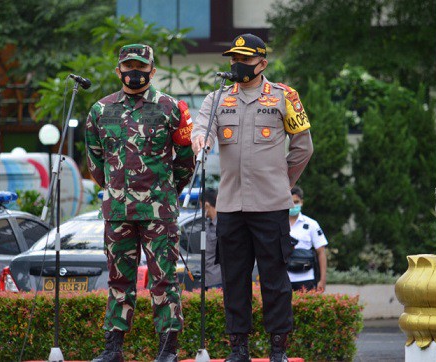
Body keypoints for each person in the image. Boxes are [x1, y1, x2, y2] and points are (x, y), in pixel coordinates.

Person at [191, 33, 313, 362]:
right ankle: (238, 348)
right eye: (234, 59)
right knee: (234, 280)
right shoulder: (216, 99)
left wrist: (280, 181)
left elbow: (303, 147)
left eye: (244, 60)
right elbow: (201, 127)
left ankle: (278, 349)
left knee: (274, 280)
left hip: (272, 205)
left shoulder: (285, 96)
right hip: (231, 206)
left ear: (262, 64)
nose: (238, 65)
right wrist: (200, 141)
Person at [85, 44, 195, 362]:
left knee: (164, 278)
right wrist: (116, 188)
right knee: (119, 278)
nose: (135, 72)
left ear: (152, 70)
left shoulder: (170, 108)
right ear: (118, 70)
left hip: (159, 211)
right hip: (118, 210)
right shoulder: (100, 111)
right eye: (129, 66)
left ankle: (168, 350)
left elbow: (186, 158)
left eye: (141, 66)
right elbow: (94, 161)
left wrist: (167, 189)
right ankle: (113, 349)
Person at [288, 186, 328, 292]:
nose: (293, 205)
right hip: (284, 278)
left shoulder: (311, 224)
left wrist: (322, 280)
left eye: (296, 202)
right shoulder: (278, 225)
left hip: (306, 279)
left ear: (302, 202)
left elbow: (321, 252)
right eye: (290, 202)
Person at [202, 188, 222, 290]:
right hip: (206, 279)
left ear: (206, 205)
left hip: (217, 280)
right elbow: (204, 250)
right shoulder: (206, 225)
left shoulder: (222, 225)